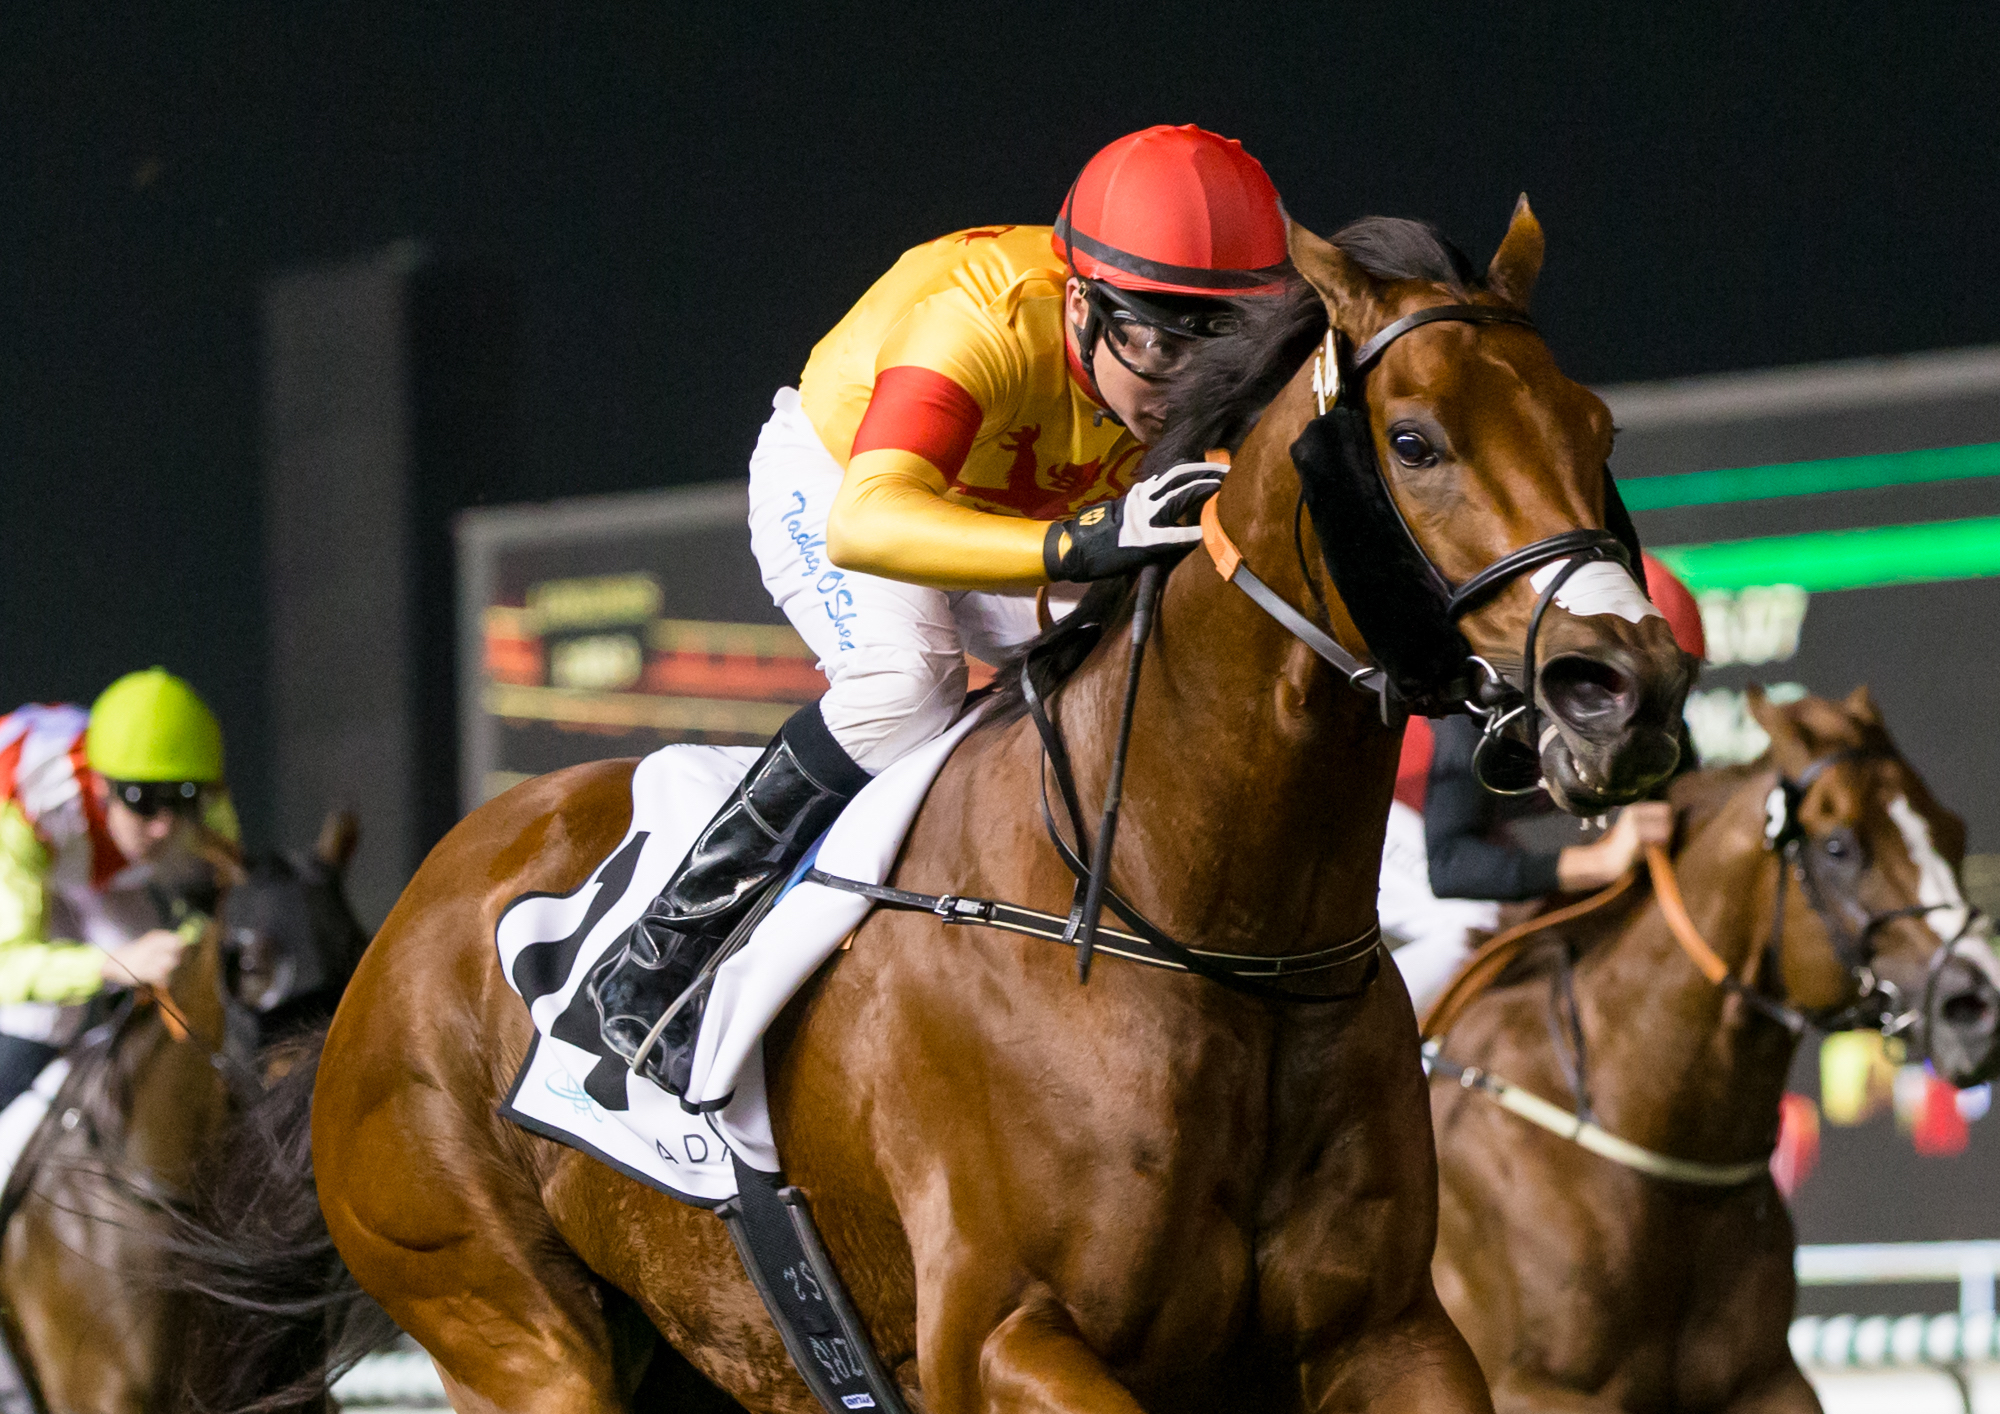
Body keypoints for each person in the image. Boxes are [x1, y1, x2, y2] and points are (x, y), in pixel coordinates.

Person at [590, 124, 1295, 1093]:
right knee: (903, 686)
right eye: (1154, 341)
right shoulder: (981, 320)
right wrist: (1072, 547)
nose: (1188, 385)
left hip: (1026, 519)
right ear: (1080, 301)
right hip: (849, 481)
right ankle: (661, 956)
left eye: (1223, 347)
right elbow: (867, 523)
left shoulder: (1201, 363)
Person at [1383, 554, 1707, 1015]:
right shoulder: (1489, 698)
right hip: (1391, 816)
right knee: (1470, 924)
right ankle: (1355, 1065)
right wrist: (1600, 861)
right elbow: (1452, 866)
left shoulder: (1656, 718)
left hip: (1485, 829)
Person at [0, 669, 239, 1114]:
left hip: (88, 870)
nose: (165, 824)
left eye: (182, 797)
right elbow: (8, 968)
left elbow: (220, 904)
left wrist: (179, 945)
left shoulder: (209, 802)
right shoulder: (22, 804)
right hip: (18, 852)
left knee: (177, 987)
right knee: (45, 1018)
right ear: (100, 784)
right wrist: (112, 965)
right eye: (142, 799)